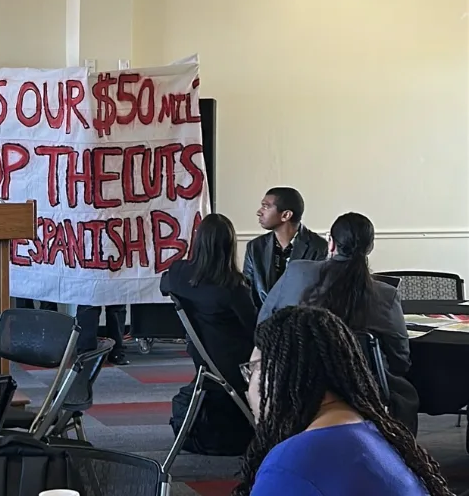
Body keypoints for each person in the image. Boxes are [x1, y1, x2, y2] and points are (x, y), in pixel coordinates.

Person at [234, 306, 451, 496]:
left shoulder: (291, 463)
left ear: (274, 374)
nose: (248, 384)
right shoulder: (377, 432)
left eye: (252, 369)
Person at [257, 212, 418, 433]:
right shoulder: (385, 295)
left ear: (330, 243)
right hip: (361, 394)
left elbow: (264, 328)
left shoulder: (295, 272)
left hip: (293, 386)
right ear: (369, 248)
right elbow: (401, 360)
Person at [160, 213, 256, 455]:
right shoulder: (232, 287)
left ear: (198, 240)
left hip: (203, 356)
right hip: (236, 365)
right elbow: (256, 328)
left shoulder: (179, 272)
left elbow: (164, 286)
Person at [243, 187, 327, 308]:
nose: (259, 212)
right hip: (263, 322)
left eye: (265, 206)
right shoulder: (255, 247)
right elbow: (248, 292)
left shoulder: (319, 247)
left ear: (286, 215)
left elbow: (319, 296)